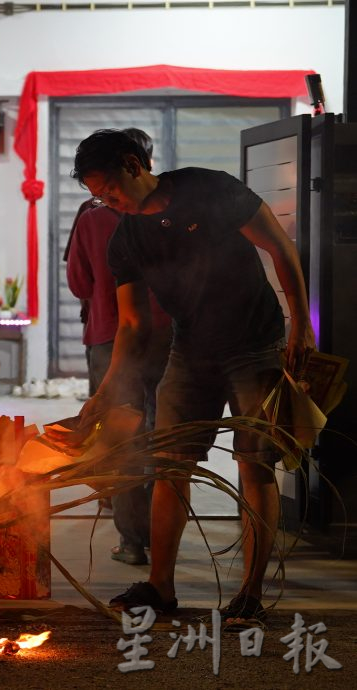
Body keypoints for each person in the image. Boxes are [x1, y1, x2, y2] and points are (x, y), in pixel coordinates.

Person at [71, 129, 314, 626]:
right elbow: (132, 324)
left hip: (254, 343)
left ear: (133, 165)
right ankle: (161, 586)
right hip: (190, 352)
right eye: (97, 195)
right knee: (170, 463)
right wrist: (104, 392)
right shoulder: (127, 238)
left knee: (255, 463)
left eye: (110, 189)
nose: (108, 201)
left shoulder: (210, 189)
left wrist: (302, 324)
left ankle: (249, 592)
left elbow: (278, 246)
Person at [65, 128, 171, 566]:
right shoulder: (167, 209)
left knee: (121, 434)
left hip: (111, 336)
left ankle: (132, 541)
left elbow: (78, 283)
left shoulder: (92, 219)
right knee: (165, 432)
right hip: (168, 334)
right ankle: (165, 536)